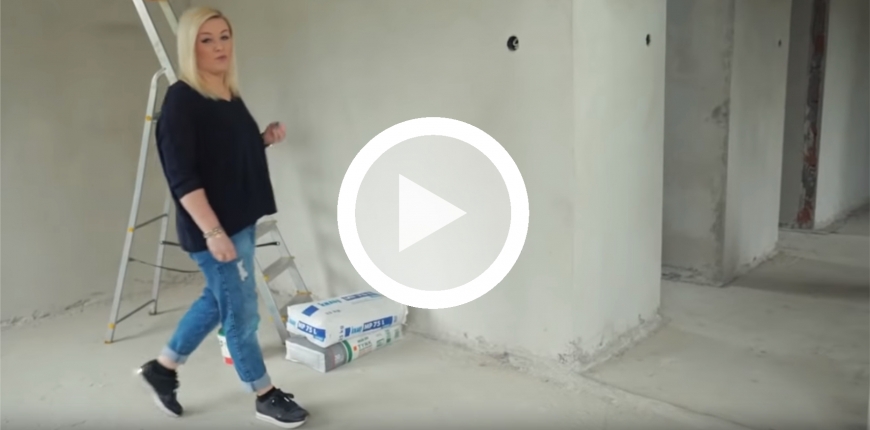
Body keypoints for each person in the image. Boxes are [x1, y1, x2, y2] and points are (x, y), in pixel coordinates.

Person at [135, 6, 309, 429]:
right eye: (206, 40)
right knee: (241, 313)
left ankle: (163, 368)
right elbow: (182, 177)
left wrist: (262, 139)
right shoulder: (181, 101)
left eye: (224, 37)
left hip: (239, 220)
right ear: (189, 47)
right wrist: (213, 232)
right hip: (214, 229)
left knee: (218, 300)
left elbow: (224, 153)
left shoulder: (227, 92)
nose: (219, 47)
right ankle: (264, 394)